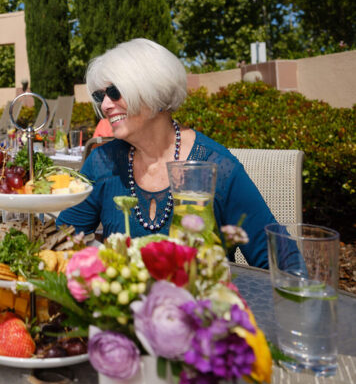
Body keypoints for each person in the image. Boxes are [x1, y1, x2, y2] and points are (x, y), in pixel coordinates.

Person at [57, 38, 276, 268]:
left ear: (155, 90)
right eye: (100, 97)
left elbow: (280, 265)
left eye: (115, 92)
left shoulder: (217, 168)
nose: (105, 106)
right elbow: (63, 242)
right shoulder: (102, 162)